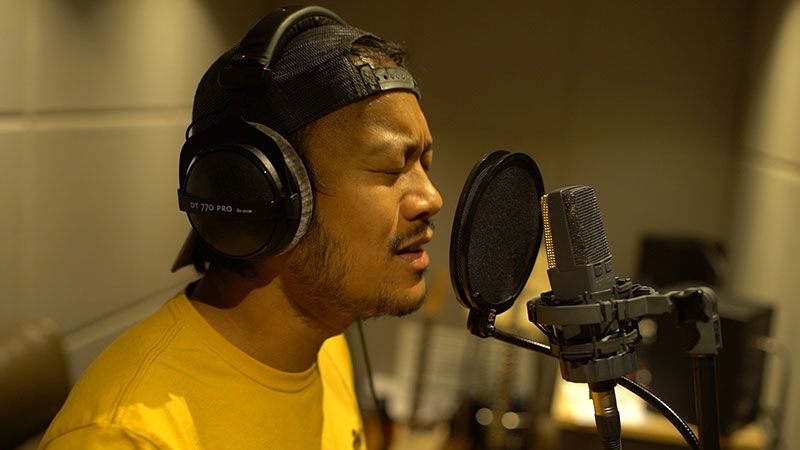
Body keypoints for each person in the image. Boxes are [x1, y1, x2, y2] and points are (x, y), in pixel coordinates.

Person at [39, 6, 442, 449]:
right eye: (392, 167)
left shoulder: (325, 343)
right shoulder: (126, 436)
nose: (431, 198)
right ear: (259, 195)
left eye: (424, 164)